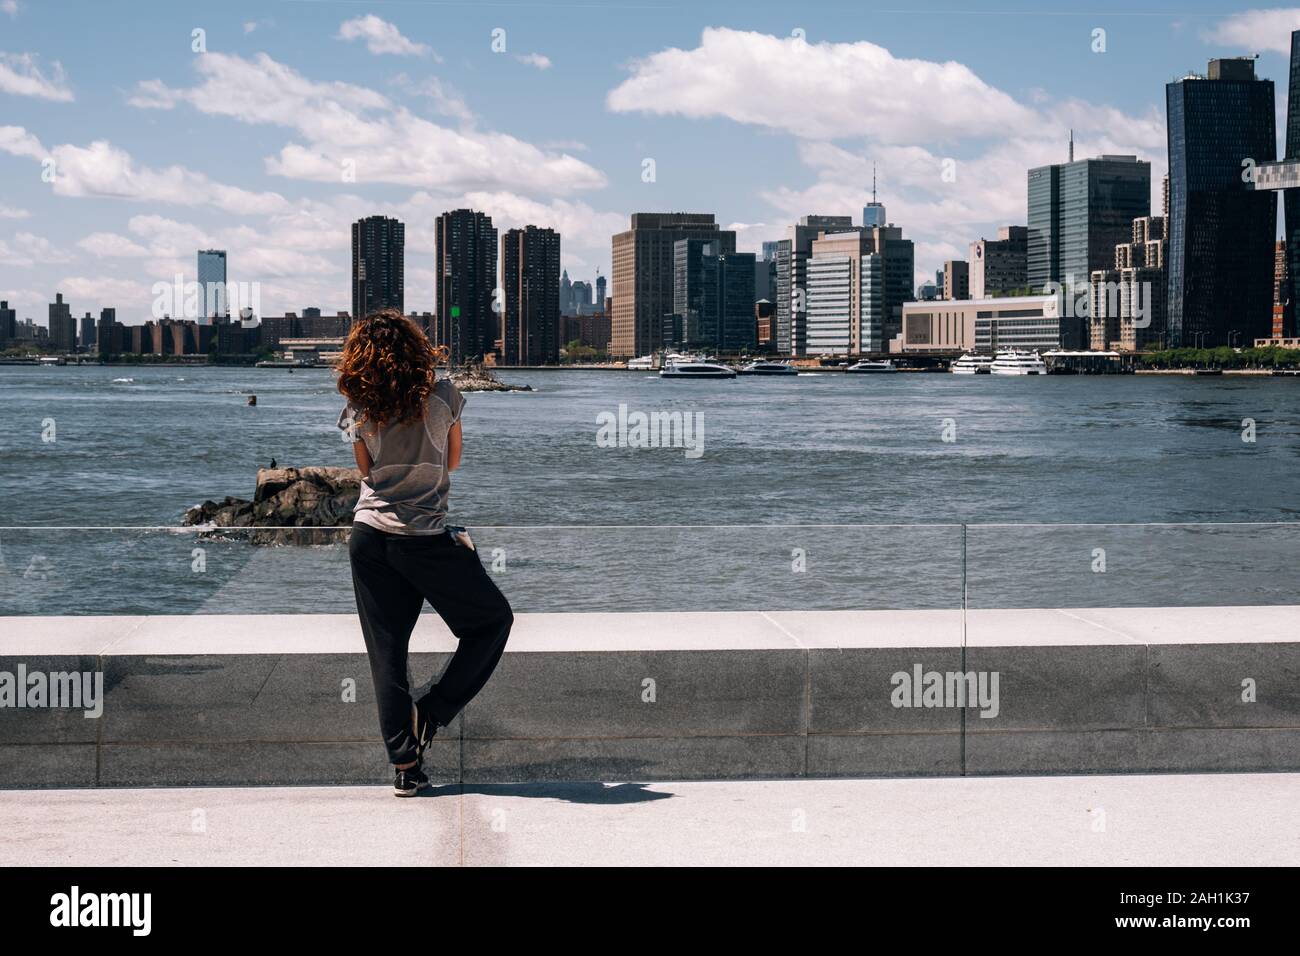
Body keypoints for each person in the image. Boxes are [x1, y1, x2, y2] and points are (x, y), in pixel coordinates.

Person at [336, 310, 513, 797]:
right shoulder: (445, 396)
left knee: (387, 653)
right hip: (424, 539)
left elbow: (367, 473)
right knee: (492, 621)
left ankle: (406, 768)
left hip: (370, 535)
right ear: (418, 349)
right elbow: (451, 461)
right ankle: (431, 713)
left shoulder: (357, 406)